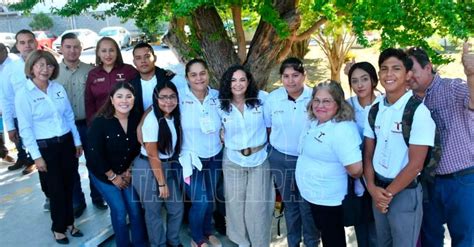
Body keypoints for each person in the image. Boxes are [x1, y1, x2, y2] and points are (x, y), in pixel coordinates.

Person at [363, 48, 436, 247]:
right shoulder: (376, 109)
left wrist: (387, 196)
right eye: (384, 69)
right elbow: (368, 154)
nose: (389, 74)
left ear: (408, 75)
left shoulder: (418, 112)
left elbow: (415, 165)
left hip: (403, 193)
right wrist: (372, 188)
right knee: (382, 243)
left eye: (396, 68)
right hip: (377, 191)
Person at [406, 44, 474, 247]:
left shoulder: (452, 88)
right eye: (406, 71)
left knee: (465, 239)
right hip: (427, 183)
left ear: (428, 67)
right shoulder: (408, 102)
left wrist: (471, 76)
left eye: (414, 70)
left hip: (461, 181)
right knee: (429, 240)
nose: (409, 76)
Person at [15, 50, 83, 244]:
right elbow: (26, 129)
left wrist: (77, 141)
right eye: (41, 65)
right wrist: (36, 157)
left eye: (50, 65)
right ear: (32, 68)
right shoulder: (24, 94)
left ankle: (70, 222)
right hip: (46, 149)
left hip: (66, 143)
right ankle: (58, 227)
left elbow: (69, 116)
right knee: (55, 190)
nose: (46, 69)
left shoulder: (58, 88)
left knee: (70, 185)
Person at [296, 80, 363, 247]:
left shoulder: (342, 129)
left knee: (333, 241)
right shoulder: (314, 121)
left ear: (338, 104)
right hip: (313, 196)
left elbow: (355, 169)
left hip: (329, 200)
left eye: (327, 101)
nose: (320, 105)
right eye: (317, 100)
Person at [263, 57, 319, 247]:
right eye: (286, 76)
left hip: (307, 160)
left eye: (295, 75)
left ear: (304, 76)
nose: (291, 80)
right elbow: (268, 128)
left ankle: (312, 242)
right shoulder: (273, 99)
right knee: (290, 204)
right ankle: (293, 241)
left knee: (307, 205)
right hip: (280, 159)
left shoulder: (314, 97)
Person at [218, 65, 274, 247]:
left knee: (257, 206)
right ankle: (241, 241)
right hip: (233, 159)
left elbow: (271, 125)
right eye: (233, 80)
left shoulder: (262, 99)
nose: (238, 84)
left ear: (248, 81)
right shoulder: (220, 104)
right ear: (228, 83)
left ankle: (259, 242)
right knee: (235, 205)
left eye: (242, 79)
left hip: (259, 158)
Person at [86, 82, 147, 247]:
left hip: (126, 171)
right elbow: (94, 154)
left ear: (134, 99)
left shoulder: (136, 119)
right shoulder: (100, 122)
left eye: (129, 96)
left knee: (135, 209)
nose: (124, 101)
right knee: (120, 211)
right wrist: (113, 176)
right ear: (112, 100)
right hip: (104, 173)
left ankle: (140, 243)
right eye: (119, 96)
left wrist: (129, 170)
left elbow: (138, 149)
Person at [55, 32, 107, 217]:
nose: (72, 50)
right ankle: (77, 201)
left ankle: (98, 197)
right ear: (61, 48)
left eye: (76, 46)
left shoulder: (91, 71)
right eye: (68, 46)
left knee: (95, 162)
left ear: (81, 48)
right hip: (65, 127)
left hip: (89, 123)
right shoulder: (53, 72)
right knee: (70, 165)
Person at [132, 81, 184, 247]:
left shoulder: (173, 115)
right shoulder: (152, 120)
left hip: (166, 166)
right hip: (148, 167)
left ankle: (173, 242)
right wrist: (162, 183)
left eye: (172, 97)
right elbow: (153, 154)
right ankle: (158, 244)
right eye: (163, 97)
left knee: (176, 208)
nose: (168, 101)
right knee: (153, 211)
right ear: (156, 99)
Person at [178, 59, 223, 247]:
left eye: (202, 73)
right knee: (201, 201)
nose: (199, 78)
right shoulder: (179, 96)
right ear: (187, 78)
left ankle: (207, 230)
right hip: (190, 159)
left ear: (208, 74)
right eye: (193, 74)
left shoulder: (218, 96)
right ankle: (196, 237)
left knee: (210, 198)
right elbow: (156, 110)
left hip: (215, 155)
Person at [346, 61, 381, 247]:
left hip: (380, 173)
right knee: (361, 224)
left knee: (377, 228)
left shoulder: (383, 102)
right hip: (356, 173)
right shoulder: (347, 105)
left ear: (374, 80)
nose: (359, 85)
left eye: (364, 79)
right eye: (354, 80)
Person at [1, 29, 37, 174]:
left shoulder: (47, 62)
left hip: (43, 117)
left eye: (30, 41)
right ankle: (23, 159)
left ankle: (32, 161)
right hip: (20, 116)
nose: (27, 45)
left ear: (36, 42)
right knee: (21, 141)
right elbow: (5, 97)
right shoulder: (10, 68)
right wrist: (10, 126)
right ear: (17, 45)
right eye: (22, 42)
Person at [85, 37, 138, 124]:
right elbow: (89, 102)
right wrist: (91, 124)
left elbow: (145, 78)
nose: (108, 55)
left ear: (117, 52)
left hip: (127, 121)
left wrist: (164, 73)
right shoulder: (93, 74)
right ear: (98, 53)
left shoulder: (129, 70)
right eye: (104, 51)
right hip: (101, 123)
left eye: (111, 50)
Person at [130, 42, 178, 116]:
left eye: (147, 56)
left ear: (155, 58)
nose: (143, 61)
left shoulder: (168, 78)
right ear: (134, 62)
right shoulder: (131, 86)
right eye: (138, 58)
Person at [0, 43, 17, 163]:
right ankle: (2, 153)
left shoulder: (13, 63)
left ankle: (27, 159)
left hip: (11, 105)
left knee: (17, 133)